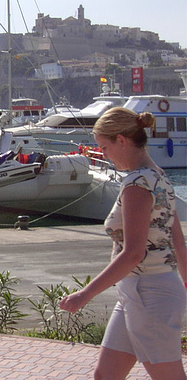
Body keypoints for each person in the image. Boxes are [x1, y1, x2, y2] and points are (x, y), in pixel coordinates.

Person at [59, 107, 186, 380]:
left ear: (122, 140)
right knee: (105, 375)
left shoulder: (138, 185)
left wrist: (85, 294)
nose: (103, 154)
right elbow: (177, 241)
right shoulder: (159, 177)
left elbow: (133, 254)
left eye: (104, 147)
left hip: (150, 293)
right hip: (140, 290)